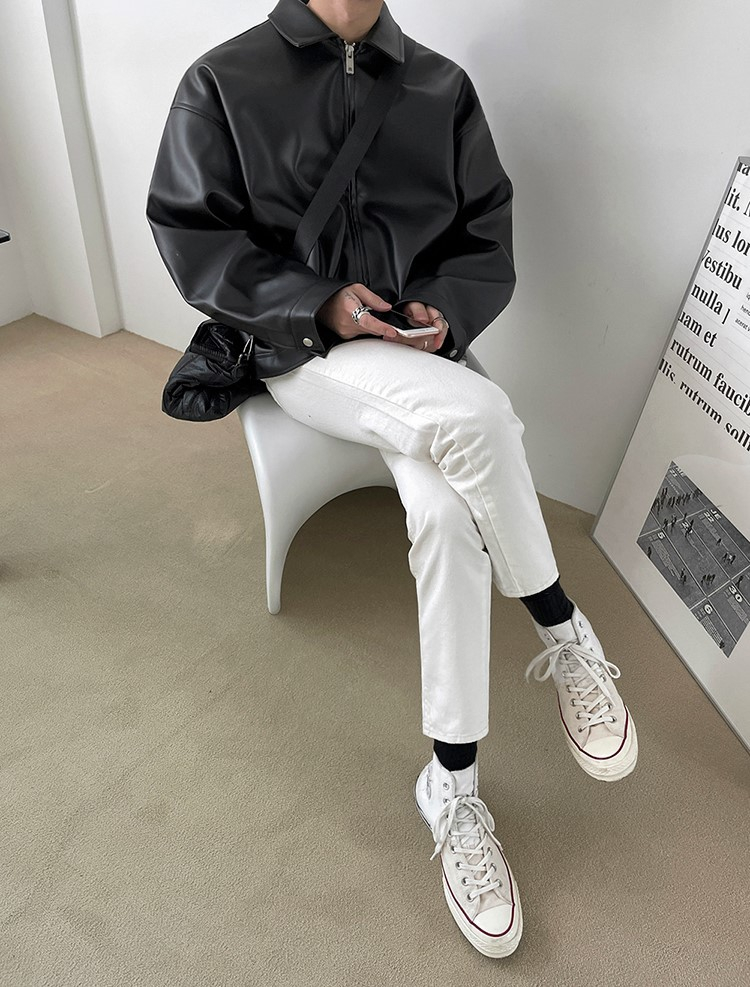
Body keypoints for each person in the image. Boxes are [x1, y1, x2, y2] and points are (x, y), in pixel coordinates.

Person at [146, 0, 638, 959]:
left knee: (450, 516)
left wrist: (441, 312)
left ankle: (451, 784)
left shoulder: (440, 86)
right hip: (305, 347)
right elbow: (193, 235)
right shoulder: (222, 80)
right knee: (485, 416)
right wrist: (318, 303)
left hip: (421, 355)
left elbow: (485, 235)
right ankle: (562, 628)